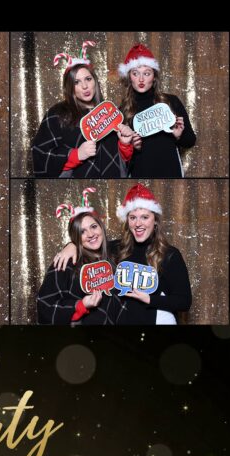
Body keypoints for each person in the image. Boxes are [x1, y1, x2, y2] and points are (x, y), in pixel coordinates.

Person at [53, 184, 192, 324]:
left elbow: (184, 302)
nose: (138, 223)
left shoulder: (169, 254)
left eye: (144, 217)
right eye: (133, 218)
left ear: (155, 220)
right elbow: (90, 243)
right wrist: (72, 245)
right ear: (127, 221)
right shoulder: (115, 248)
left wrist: (149, 299)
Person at [32, 40, 134, 178]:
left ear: (95, 81)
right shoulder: (57, 114)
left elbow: (124, 163)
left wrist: (125, 145)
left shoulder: (110, 113)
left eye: (88, 79)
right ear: (69, 87)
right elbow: (40, 155)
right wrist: (76, 155)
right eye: (77, 82)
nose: (85, 86)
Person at [37, 188, 124, 325]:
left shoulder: (118, 251)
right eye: (82, 231)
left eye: (94, 226)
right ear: (76, 237)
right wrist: (80, 305)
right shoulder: (66, 262)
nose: (90, 234)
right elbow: (45, 305)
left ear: (101, 227)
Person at [118, 43, 196, 178]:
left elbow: (190, 141)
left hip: (171, 171)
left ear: (154, 76)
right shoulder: (122, 110)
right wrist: (132, 147)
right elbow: (121, 163)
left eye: (146, 73)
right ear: (129, 77)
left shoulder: (171, 101)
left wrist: (178, 136)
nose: (141, 79)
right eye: (135, 73)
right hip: (141, 173)